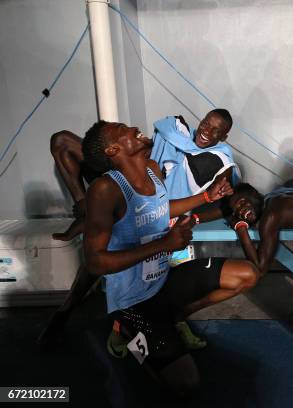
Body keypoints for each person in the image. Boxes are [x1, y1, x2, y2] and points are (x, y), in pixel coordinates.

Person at [81, 120, 258, 396]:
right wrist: (164, 243)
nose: (132, 128)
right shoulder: (105, 190)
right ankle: (126, 328)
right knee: (186, 383)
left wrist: (205, 197)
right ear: (113, 150)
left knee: (247, 274)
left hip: (164, 282)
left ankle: (173, 317)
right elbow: (95, 262)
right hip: (133, 301)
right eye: (122, 130)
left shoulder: (152, 170)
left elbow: (162, 208)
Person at [39, 109, 237, 349]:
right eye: (206, 124)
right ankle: (84, 210)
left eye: (216, 130)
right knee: (62, 142)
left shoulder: (219, 161)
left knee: (143, 273)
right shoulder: (172, 133)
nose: (207, 131)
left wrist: (194, 214)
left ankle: (156, 322)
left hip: (159, 211)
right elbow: (97, 261)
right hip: (134, 198)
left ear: (224, 136)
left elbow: (222, 203)